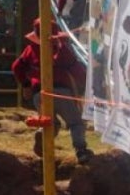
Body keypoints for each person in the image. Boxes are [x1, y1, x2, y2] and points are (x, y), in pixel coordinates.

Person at [11, 18, 91, 162]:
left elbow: (16, 66)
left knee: (51, 124)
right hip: (61, 92)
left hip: (39, 94)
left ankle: (42, 134)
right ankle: (81, 151)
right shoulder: (63, 50)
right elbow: (78, 71)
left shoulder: (30, 49)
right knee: (76, 123)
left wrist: (26, 84)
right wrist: (86, 85)